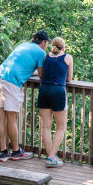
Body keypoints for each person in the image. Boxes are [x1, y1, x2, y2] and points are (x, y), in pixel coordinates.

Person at [0, 30, 50, 160]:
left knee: (0, 116)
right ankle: (16, 151)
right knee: (11, 118)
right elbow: (41, 75)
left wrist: (29, 72)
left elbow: (22, 64)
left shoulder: (23, 45)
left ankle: (3, 151)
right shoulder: (41, 52)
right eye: (46, 43)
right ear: (44, 43)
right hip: (12, 82)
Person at [37, 36, 74, 167]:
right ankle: (52, 157)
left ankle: (50, 157)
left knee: (46, 126)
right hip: (58, 91)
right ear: (63, 47)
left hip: (44, 89)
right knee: (61, 128)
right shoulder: (68, 57)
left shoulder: (46, 57)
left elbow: (41, 73)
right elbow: (69, 79)